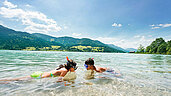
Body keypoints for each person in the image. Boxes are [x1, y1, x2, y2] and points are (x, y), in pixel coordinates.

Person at [0, 57, 77, 82]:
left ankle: (3, 80)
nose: (74, 70)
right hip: (39, 76)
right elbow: (59, 80)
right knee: (16, 81)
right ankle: (3, 81)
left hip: (39, 73)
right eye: (74, 68)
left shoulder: (62, 68)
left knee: (17, 79)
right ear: (71, 67)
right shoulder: (65, 71)